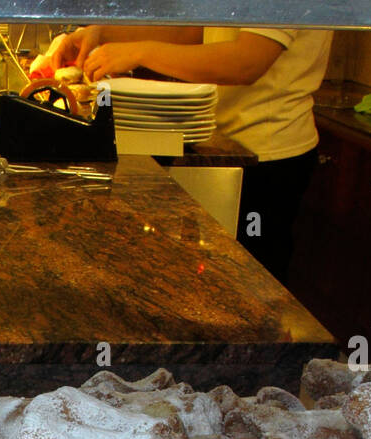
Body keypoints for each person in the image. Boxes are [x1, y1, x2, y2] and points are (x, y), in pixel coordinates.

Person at [42, 26, 332, 284]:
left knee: (252, 290)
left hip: (267, 156)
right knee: (210, 283)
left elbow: (247, 62)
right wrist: (104, 33)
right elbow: (195, 31)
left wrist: (140, 52)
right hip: (220, 141)